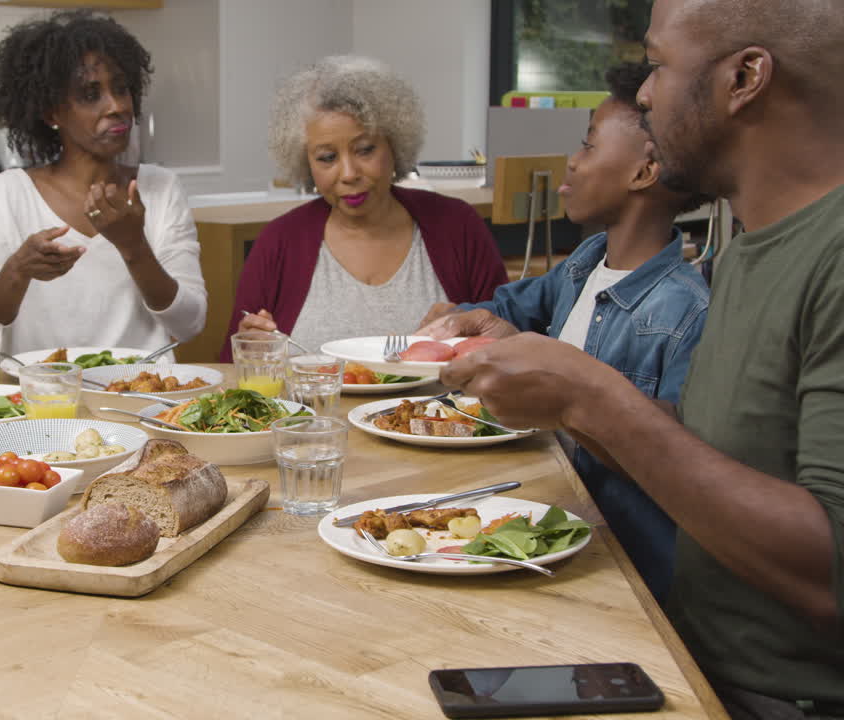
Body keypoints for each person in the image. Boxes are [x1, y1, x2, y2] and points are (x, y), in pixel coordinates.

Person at [439, 1, 844, 716]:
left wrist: (590, 397)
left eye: (657, 64)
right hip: (674, 646)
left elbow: (831, 576)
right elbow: (719, 448)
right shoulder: (746, 249)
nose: (646, 93)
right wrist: (562, 400)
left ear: (744, 78)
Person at [415, 63, 711, 602]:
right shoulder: (585, 263)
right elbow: (507, 306)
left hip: (623, 566)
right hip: (552, 517)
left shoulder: (685, 311)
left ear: (645, 171)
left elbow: (677, 462)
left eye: (589, 145)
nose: (572, 160)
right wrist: (463, 319)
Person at [220, 55, 507, 361]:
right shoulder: (279, 242)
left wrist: (472, 332)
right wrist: (250, 350)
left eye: (365, 150)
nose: (348, 174)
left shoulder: (456, 225)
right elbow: (233, 365)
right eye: (327, 158)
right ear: (306, 163)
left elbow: (508, 346)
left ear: (394, 145)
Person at [0, 10, 206, 356]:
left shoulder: (160, 187)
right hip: (42, 387)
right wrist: (18, 269)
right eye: (91, 94)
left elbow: (190, 323)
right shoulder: (9, 193)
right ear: (52, 113)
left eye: (121, 88)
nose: (117, 106)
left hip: (142, 386)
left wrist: (135, 247)